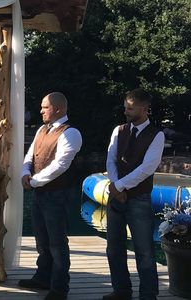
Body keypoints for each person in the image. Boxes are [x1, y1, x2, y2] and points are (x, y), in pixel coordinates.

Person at [19, 92, 82, 300]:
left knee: (57, 243)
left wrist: (34, 181)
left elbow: (60, 165)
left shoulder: (71, 133)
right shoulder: (41, 129)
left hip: (58, 195)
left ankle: (59, 288)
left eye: (45, 107)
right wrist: (25, 172)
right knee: (42, 241)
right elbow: (30, 155)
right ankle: (43, 277)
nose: (41, 111)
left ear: (58, 109)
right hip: (40, 193)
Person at [103, 89, 163, 300]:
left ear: (144, 109)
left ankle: (148, 295)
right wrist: (116, 185)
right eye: (125, 107)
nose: (125, 111)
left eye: (130, 108)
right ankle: (121, 290)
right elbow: (111, 159)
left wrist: (119, 187)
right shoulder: (118, 130)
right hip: (116, 197)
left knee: (144, 251)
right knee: (114, 249)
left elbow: (147, 168)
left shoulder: (156, 135)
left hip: (139, 199)